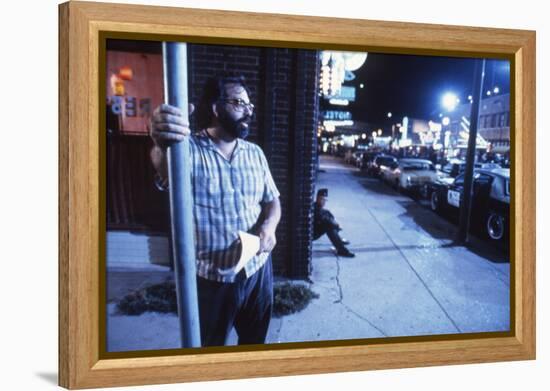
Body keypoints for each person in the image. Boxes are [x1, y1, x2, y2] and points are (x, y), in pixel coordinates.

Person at [150, 73, 281, 347]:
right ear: (215, 107)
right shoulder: (188, 150)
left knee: (255, 344)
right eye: (238, 103)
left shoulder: (255, 153)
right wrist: (161, 143)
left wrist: (268, 228)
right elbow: (162, 165)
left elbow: (272, 201)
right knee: (210, 350)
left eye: (250, 105)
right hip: (213, 279)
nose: (248, 111)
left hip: (258, 270)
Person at [313, 188, 355, 258]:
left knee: (328, 214)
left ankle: (339, 240)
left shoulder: (319, 207)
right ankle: (342, 250)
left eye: (325, 200)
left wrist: (335, 223)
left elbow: (328, 218)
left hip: (315, 230)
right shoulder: (315, 209)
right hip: (312, 234)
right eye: (322, 199)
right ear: (317, 198)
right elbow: (325, 220)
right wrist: (336, 225)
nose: (324, 202)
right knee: (329, 226)